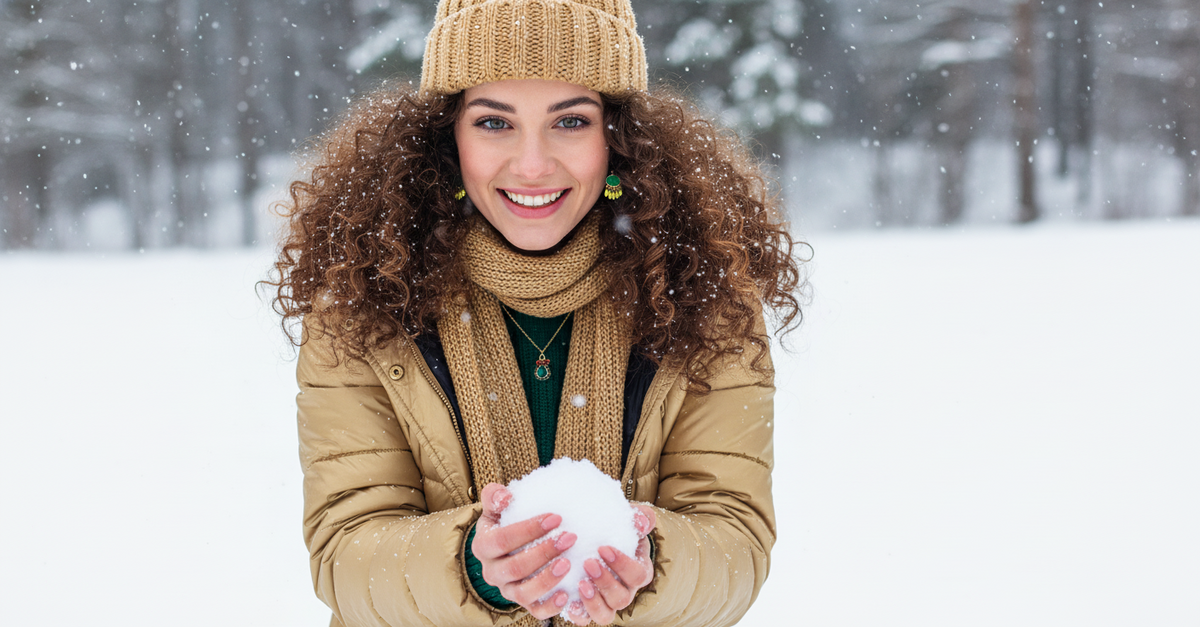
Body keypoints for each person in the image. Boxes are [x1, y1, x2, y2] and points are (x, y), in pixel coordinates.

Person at [268, 0, 805, 625]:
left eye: (571, 121)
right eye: (494, 123)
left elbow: (735, 538)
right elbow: (344, 551)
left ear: (620, 137)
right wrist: (474, 568)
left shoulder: (705, 298)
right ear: (448, 140)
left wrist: (652, 564)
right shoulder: (363, 302)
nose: (531, 164)